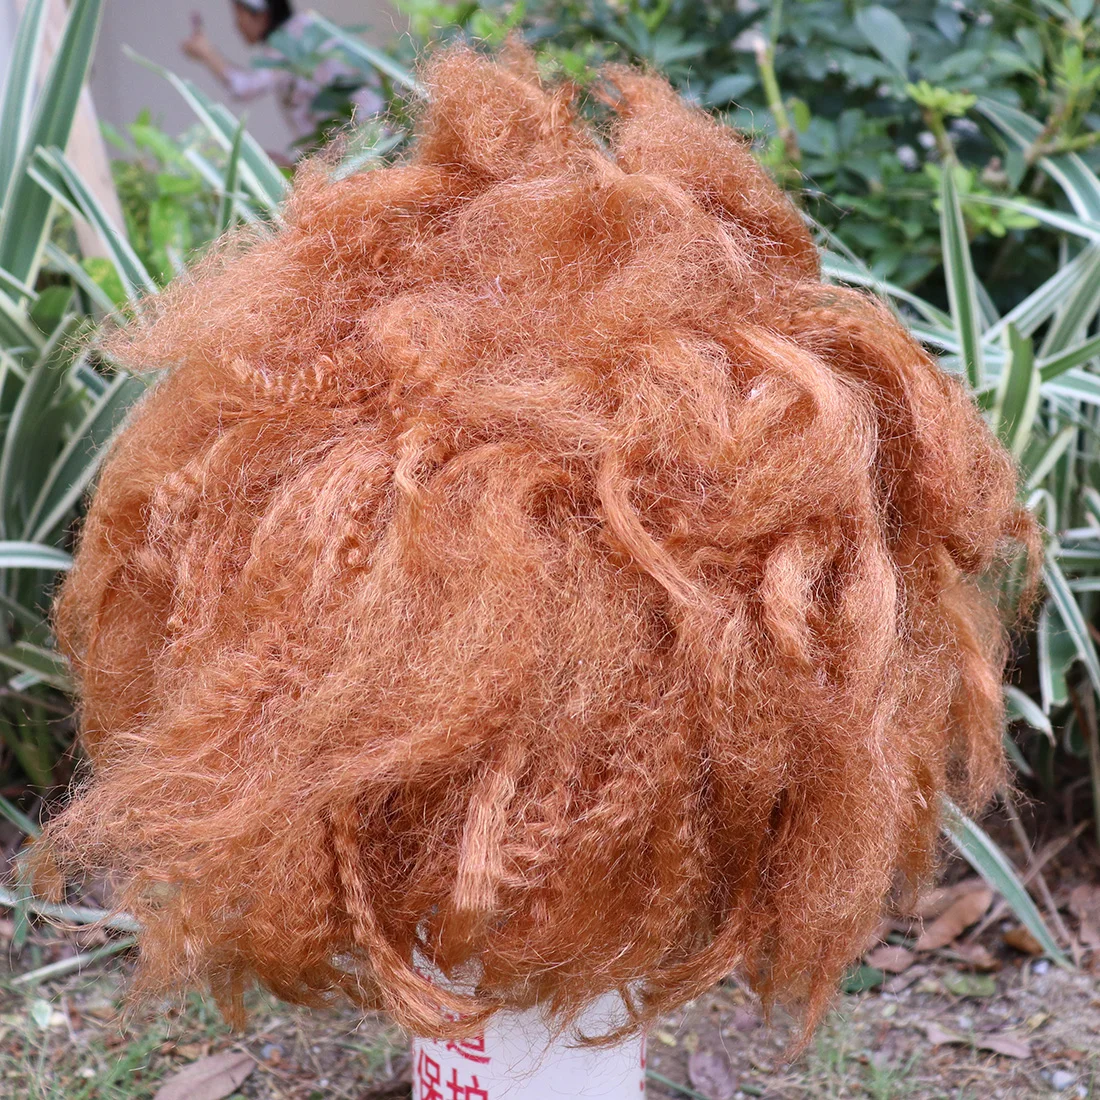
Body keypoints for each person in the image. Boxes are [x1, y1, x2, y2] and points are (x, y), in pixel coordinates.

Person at [181, 0, 382, 152]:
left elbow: (245, 87)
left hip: (361, 143)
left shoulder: (288, 41)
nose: (237, 25)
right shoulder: (307, 26)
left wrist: (207, 53)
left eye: (239, 15)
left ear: (260, 14)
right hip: (365, 137)